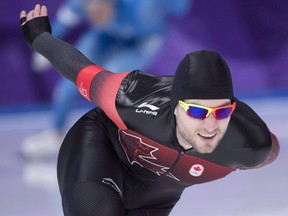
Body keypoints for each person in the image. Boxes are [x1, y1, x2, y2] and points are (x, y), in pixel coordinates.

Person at [20, 4, 280, 216]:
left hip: (156, 196)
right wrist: (41, 38)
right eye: (198, 112)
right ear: (175, 107)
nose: (211, 126)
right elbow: (80, 70)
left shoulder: (252, 144)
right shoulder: (130, 96)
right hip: (102, 148)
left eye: (222, 113)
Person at [21, 0, 193, 159]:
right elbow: (63, 23)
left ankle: (120, 139)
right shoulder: (80, 3)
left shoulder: (143, 7)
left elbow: (181, 8)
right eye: (92, 13)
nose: (96, 17)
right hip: (105, 34)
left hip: (143, 39)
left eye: (100, 11)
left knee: (112, 84)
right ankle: (55, 133)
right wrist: (43, 48)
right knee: (68, 82)